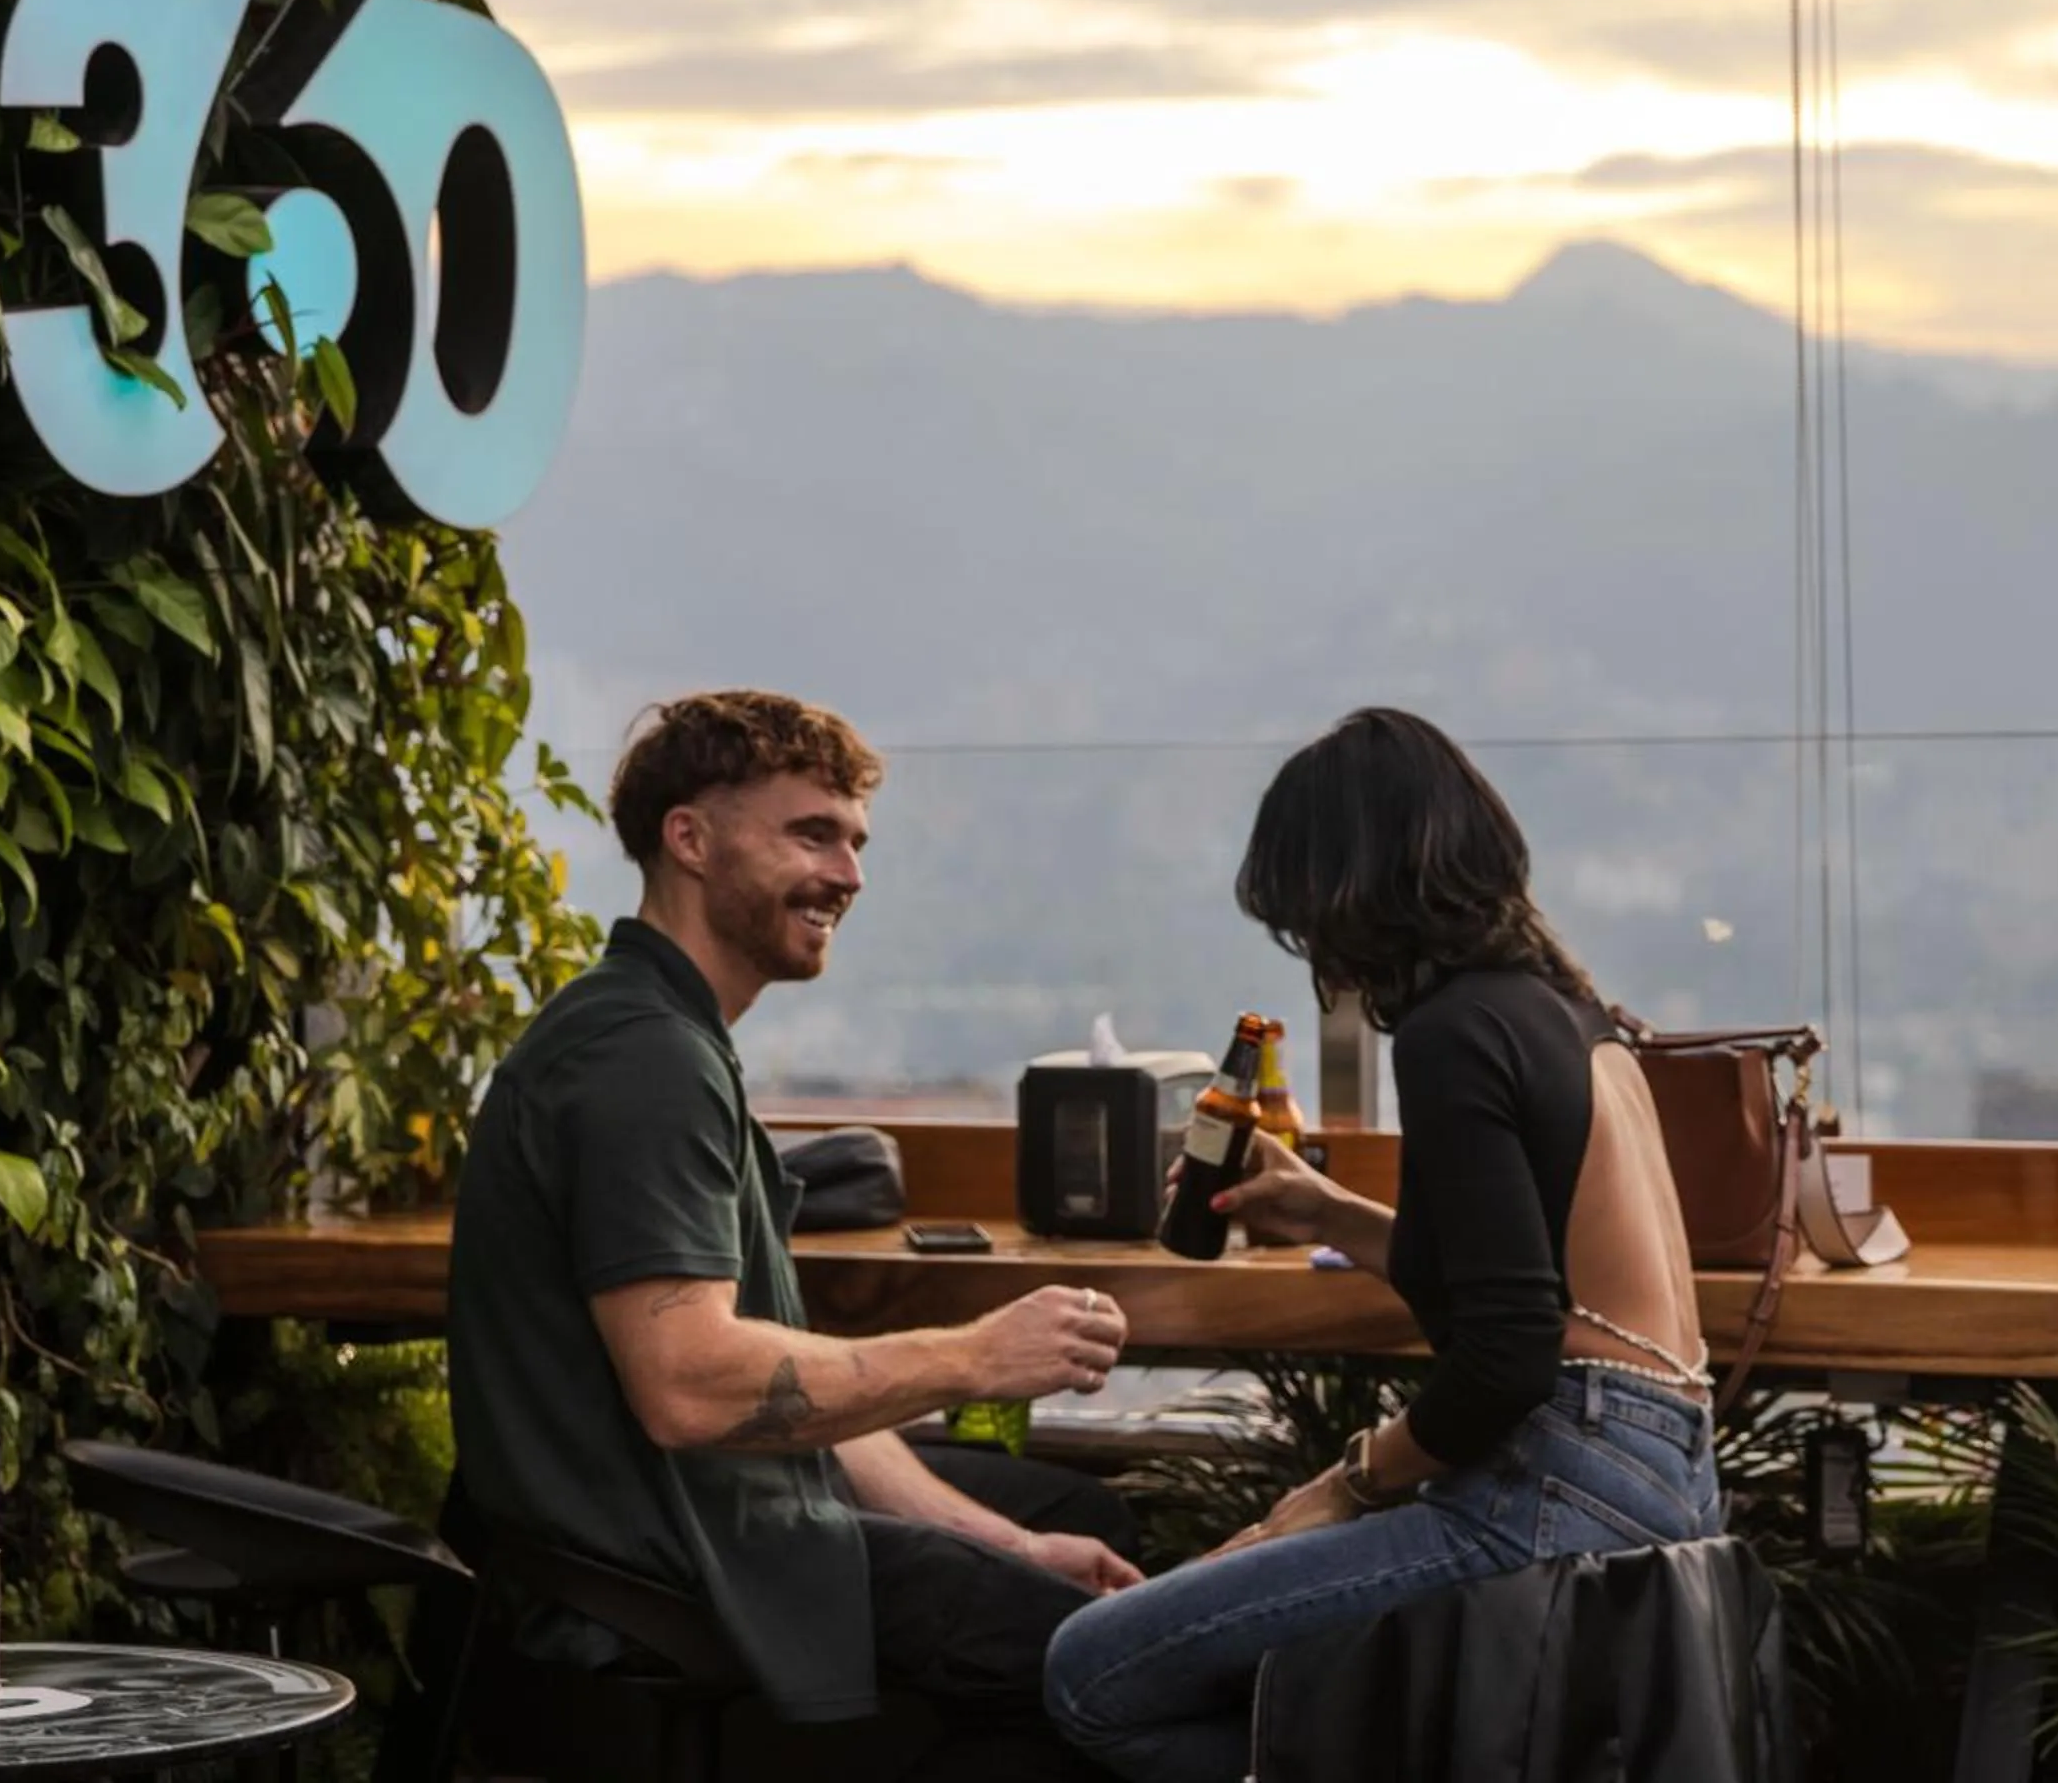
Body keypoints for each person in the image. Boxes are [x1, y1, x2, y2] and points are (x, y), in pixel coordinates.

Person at [449, 690, 1140, 1780]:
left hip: (719, 1513)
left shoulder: (668, 1034)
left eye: (855, 840)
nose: (850, 874)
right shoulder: (644, 1062)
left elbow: (797, 1395)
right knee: (1105, 1669)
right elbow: (692, 1385)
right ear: (690, 836)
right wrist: (969, 1354)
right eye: (810, 832)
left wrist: (1006, 1544)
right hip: (668, 1573)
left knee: (1068, 1523)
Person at [1044, 706, 1721, 1783]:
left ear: (1353, 893)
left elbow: (1506, 1357)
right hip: (1669, 1469)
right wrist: (1325, 1214)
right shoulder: (1567, 1011)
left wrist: (1344, 1484)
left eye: (1306, 917)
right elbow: (1529, 1285)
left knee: (1095, 1669)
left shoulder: (1455, 1031)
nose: (1315, 949)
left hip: (1557, 1479)